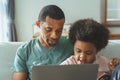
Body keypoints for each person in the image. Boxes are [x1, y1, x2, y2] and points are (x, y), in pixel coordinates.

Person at [12, 5, 73, 80]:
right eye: (48, 29)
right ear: (38, 24)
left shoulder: (71, 45)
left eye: (59, 31)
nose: (54, 36)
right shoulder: (24, 51)